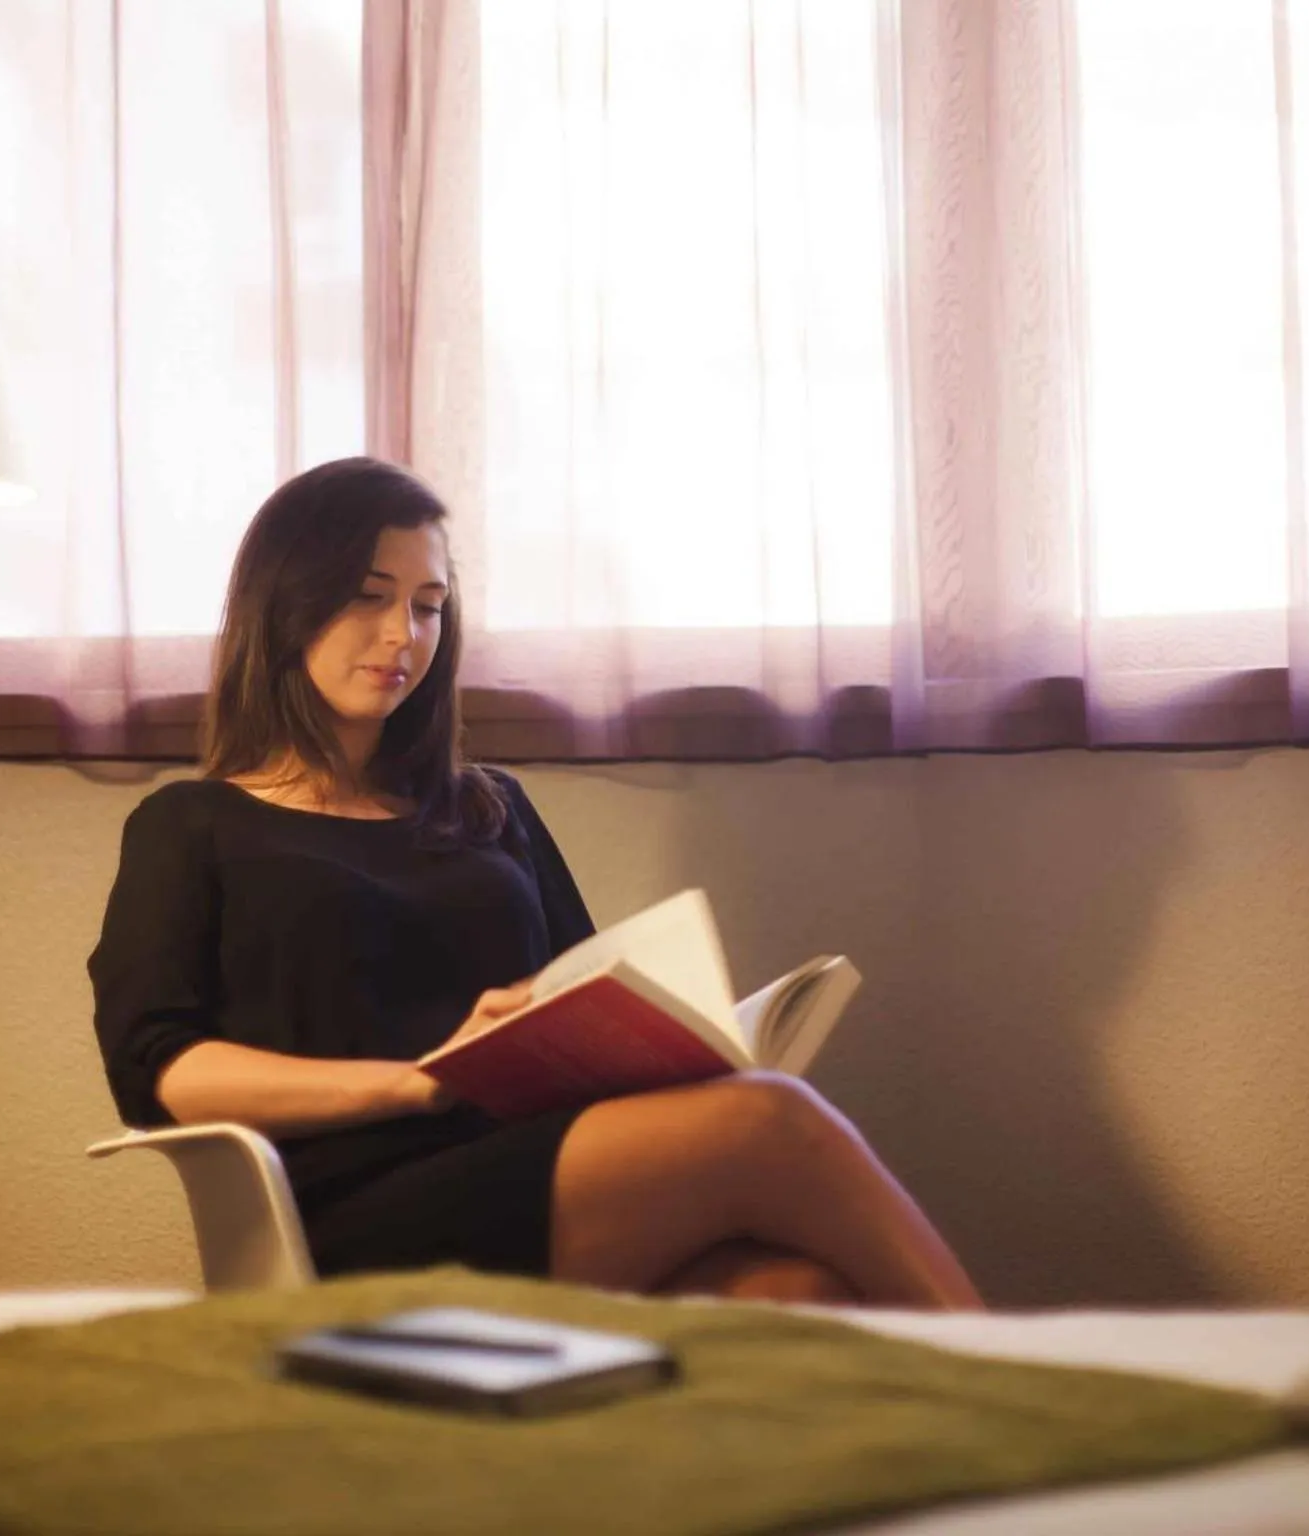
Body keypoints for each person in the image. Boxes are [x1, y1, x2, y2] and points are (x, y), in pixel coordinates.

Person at [89, 457, 982, 1309]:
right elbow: (167, 1072)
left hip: (549, 1169)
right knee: (769, 1122)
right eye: (369, 598)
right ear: (285, 607)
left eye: (429, 606)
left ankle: (988, 1450)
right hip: (351, 1210)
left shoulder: (486, 807)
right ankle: (1036, 1373)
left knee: (797, 1293)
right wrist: (419, 1080)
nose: (405, 635)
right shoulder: (192, 827)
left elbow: (585, 994)